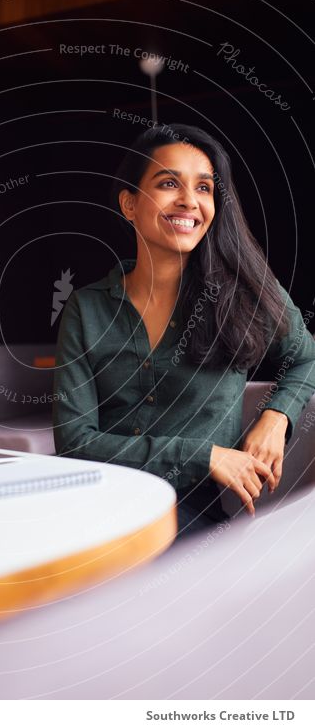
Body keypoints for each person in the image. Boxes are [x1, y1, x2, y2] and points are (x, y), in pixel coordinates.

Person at [52, 123, 315, 540]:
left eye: (205, 188)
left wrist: (276, 416)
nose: (189, 201)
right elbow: (74, 443)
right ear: (129, 204)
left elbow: (307, 357)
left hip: (189, 514)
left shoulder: (244, 294)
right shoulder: (87, 308)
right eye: (169, 183)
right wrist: (202, 455)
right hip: (94, 503)